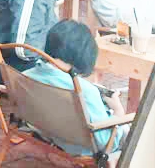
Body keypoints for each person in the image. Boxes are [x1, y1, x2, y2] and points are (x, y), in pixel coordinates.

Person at [25, 20, 129, 158]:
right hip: (81, 147)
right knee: (129, 130)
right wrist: (118, 110)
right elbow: (106, 143)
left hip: (48, 132)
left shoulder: (27, 76)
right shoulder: (86, 91)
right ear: (83, 56)